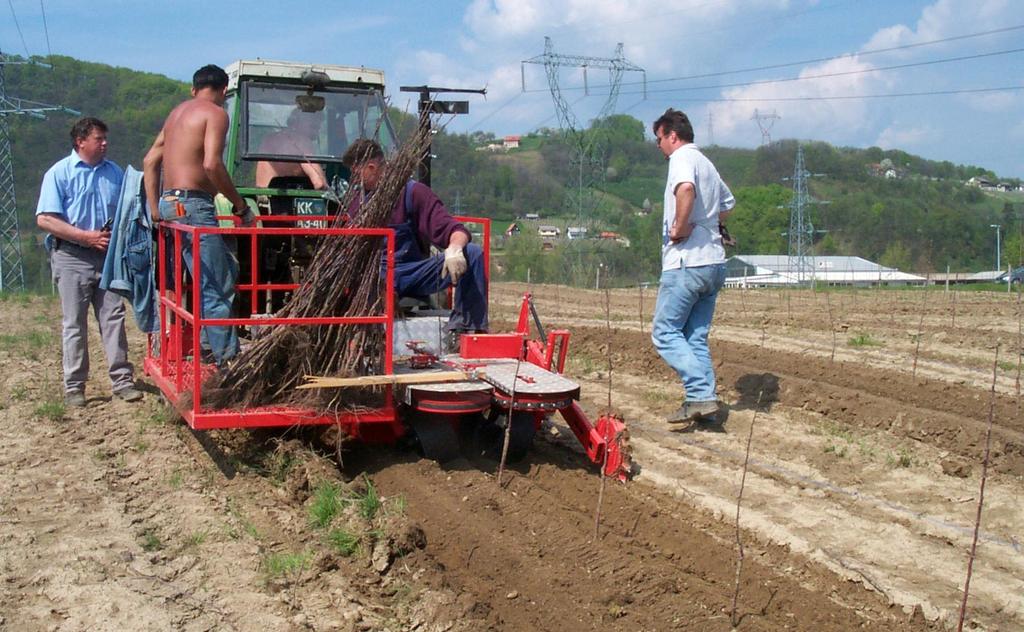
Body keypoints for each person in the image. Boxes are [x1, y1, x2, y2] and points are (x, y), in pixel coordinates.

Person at [143, 64, 250, 366]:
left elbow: (150, 160)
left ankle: (207, 345)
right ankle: (229, 364)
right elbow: (211, 165)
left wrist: (155, 210)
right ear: (224, 90)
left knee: (210, 276)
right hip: (194, 205)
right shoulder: (216, 114)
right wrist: (240, 206)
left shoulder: (175, 116)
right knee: (216, 284)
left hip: (169, 204)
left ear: (193, 89)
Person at [36, 117, 143, 407]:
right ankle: (75, 387)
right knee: (74, 323)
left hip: (107, 257)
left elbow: (127, 210)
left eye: (105, 138)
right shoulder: (59, 173)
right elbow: (45, 219)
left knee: (114, 318)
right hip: (72, 256)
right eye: (99, 138)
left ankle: (122, 381)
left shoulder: (115, 173)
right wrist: (85, 237)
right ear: (80, 141)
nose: (105, 143)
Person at [341, 139, 487, 337]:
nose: (354, 180)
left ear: (372, 167)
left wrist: (454, 249)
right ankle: (369, 333)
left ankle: (468, 331)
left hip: (412, 273)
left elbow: (455, 229)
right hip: (377, 275)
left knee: (473, 253)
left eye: (356, 174)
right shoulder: (356, 204)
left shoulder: (413, 193)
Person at [651, 108, 735, 425]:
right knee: (694, 337)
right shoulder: (707, 163)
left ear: (673, 136)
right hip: (714, 262)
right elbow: (728, 204)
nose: (659, 146)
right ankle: (705, 406)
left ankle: (700, 394)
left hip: (687, 263)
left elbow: (686, 189)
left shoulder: (682, 159)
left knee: (664, 333)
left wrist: (680, 227)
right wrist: (709, 224)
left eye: (659, 139)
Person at [255, 108, 327, 190]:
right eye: (313, 124)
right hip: (279, 200)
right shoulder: (301, 141)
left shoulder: (269, 139)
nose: (318, 126)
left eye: (319, 122)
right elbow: (319, 183)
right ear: (296, 121)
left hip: (262, 198)